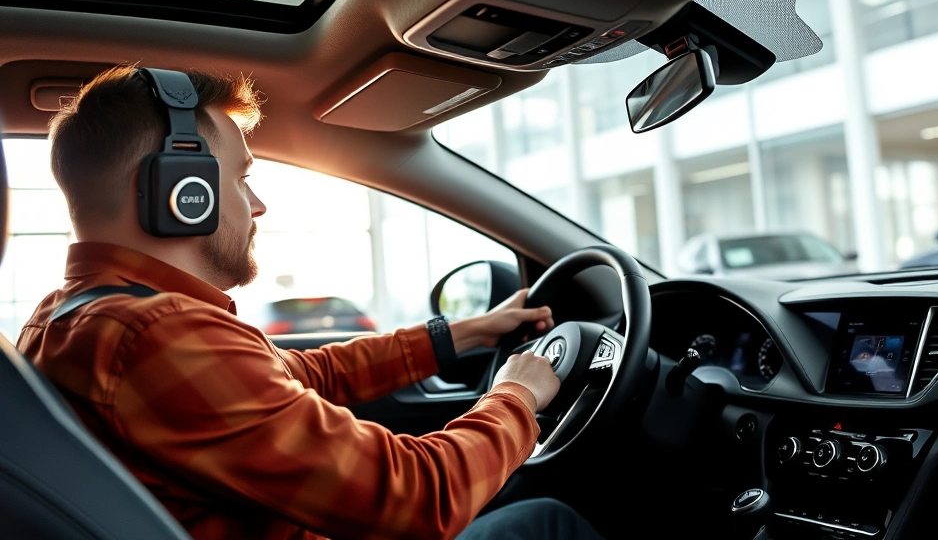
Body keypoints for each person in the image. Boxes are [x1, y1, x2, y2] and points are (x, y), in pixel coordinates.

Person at [17, 65, 602, 540]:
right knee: (548, 521)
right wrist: (518, 395)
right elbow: (418, 499)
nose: (258, 204)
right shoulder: (156, 336)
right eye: (240, 176)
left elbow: (299, 371)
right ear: (180, 189)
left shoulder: (65, 317)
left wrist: (462, 334)